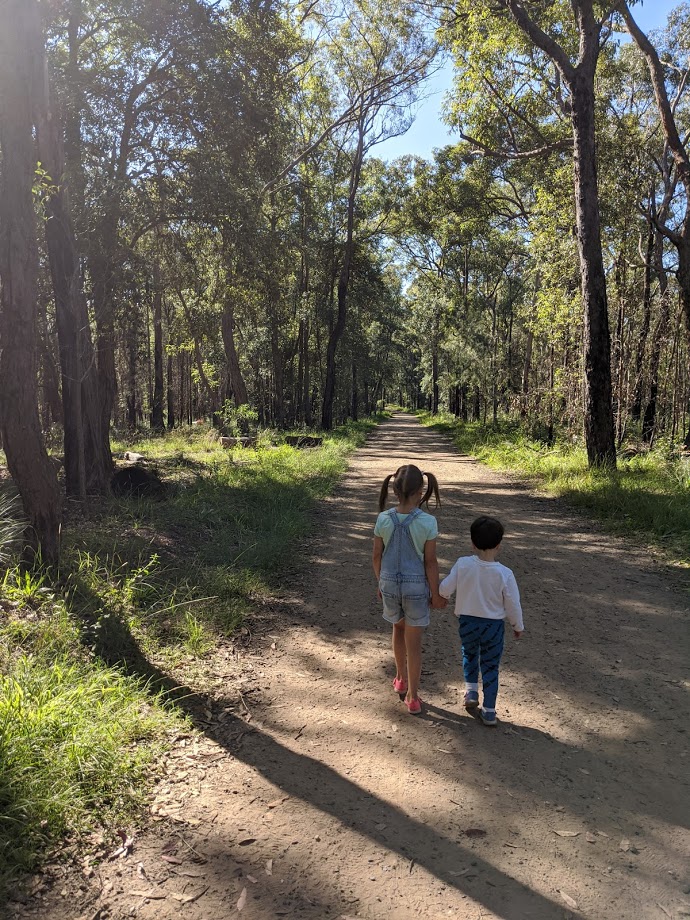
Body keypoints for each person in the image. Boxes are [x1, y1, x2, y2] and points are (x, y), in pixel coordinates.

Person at [372, 464, 446, 714]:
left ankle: (400, 678)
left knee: (397, 628)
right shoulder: (427, 522)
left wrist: (381, 583)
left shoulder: (383, 519)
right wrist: (435, 593)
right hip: (415, 587)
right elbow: (430, 561)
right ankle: (413, 697)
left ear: (394, 490)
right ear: (421, 490)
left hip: (390, 583)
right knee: (414, 643)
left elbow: (376, 556)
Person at [439, 515, 524, 727]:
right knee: (490, 665)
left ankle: (471, 692)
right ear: (499, 545)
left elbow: (445, 588)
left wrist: (444, 596)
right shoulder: (505, 573)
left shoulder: (463, 564)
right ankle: (489, 711)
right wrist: (517, 625)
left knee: (469, 654)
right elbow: (513, 603)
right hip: (493, 626)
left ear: (472, 543)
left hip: (467, 622)